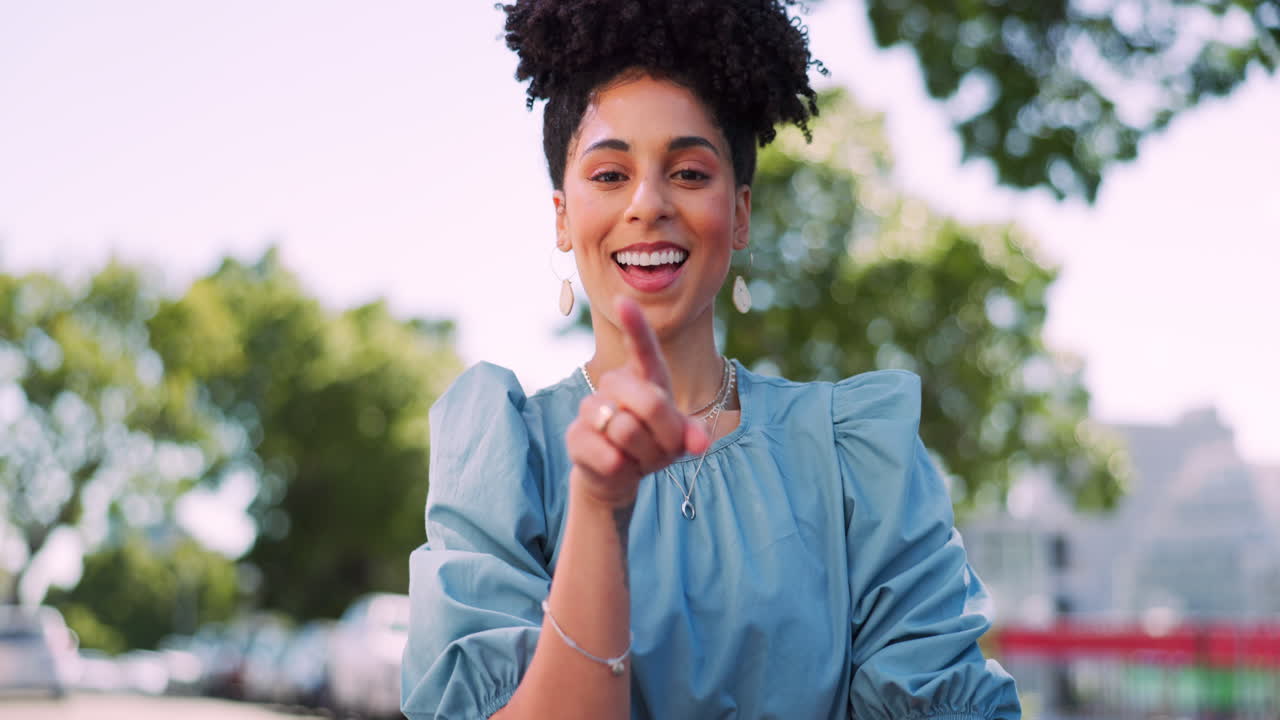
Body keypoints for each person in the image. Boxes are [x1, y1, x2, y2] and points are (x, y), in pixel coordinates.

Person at [401, 1, 1021, 718]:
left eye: (690, 173)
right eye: (608, 175)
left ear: (742, 213)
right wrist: (600, 509)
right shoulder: (505, 457)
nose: (648, 203)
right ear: (563, 218)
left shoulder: (857, 453)